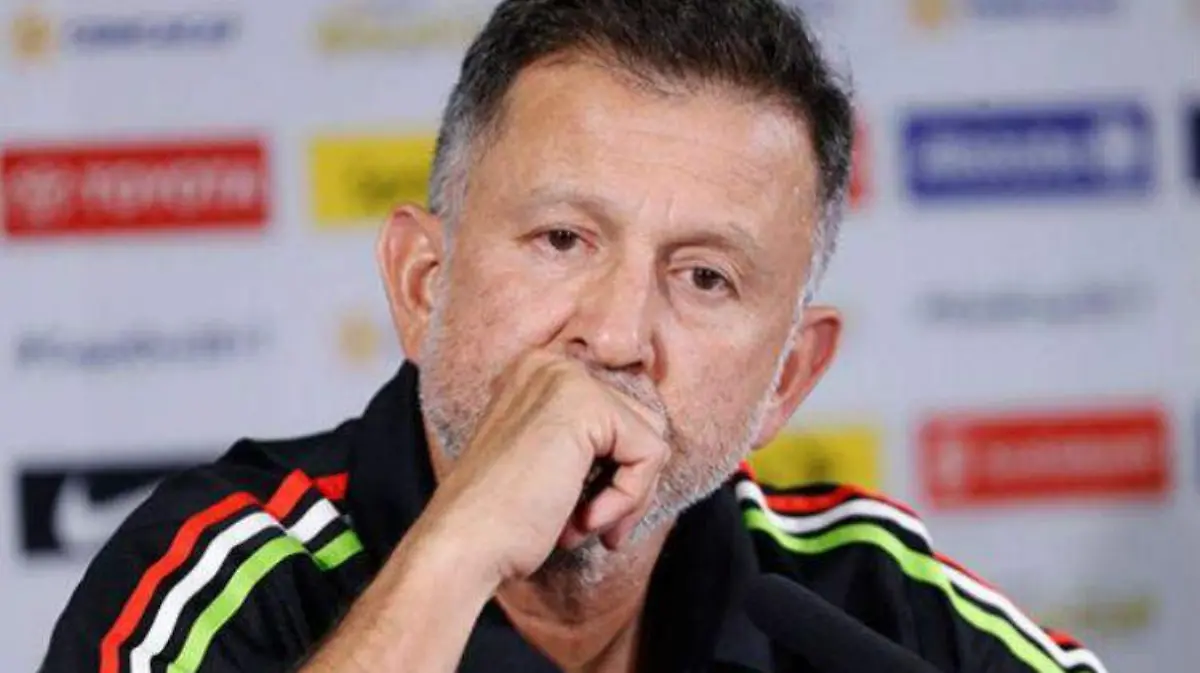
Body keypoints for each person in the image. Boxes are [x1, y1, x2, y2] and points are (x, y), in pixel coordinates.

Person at [40, 1, 1106, 672]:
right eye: (562, 239)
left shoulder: (865, 594)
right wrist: (459, 548)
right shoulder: (221, 570)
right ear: (420, 284)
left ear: (785, 380)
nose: (616, 334)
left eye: (704, 276)